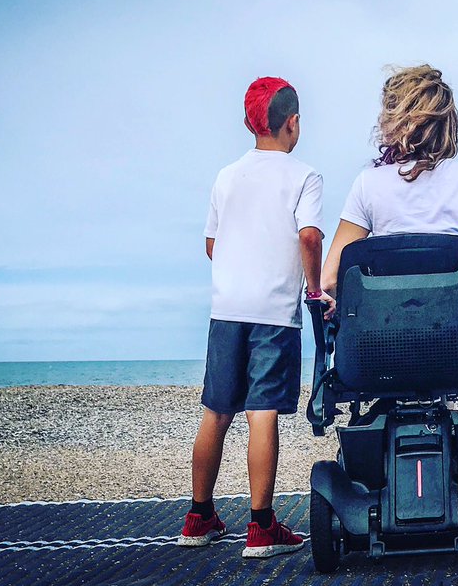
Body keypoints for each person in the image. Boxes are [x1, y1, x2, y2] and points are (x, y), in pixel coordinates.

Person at [178, 76, 331, 559]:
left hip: (226, 309)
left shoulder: (227, 176)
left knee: (216, 411)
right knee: (262, 412)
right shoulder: (304, 176)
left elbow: (211, 244)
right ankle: (261, 527)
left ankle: (198, 517)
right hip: (273, 312)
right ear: (293, 123)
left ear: (251, 123)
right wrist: (313, 288)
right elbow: (309, 237)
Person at [322, 64, 458, 300]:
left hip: (388, 332)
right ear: (448, 122)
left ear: (392, 121)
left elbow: (329, 281)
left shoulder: (368, 184)